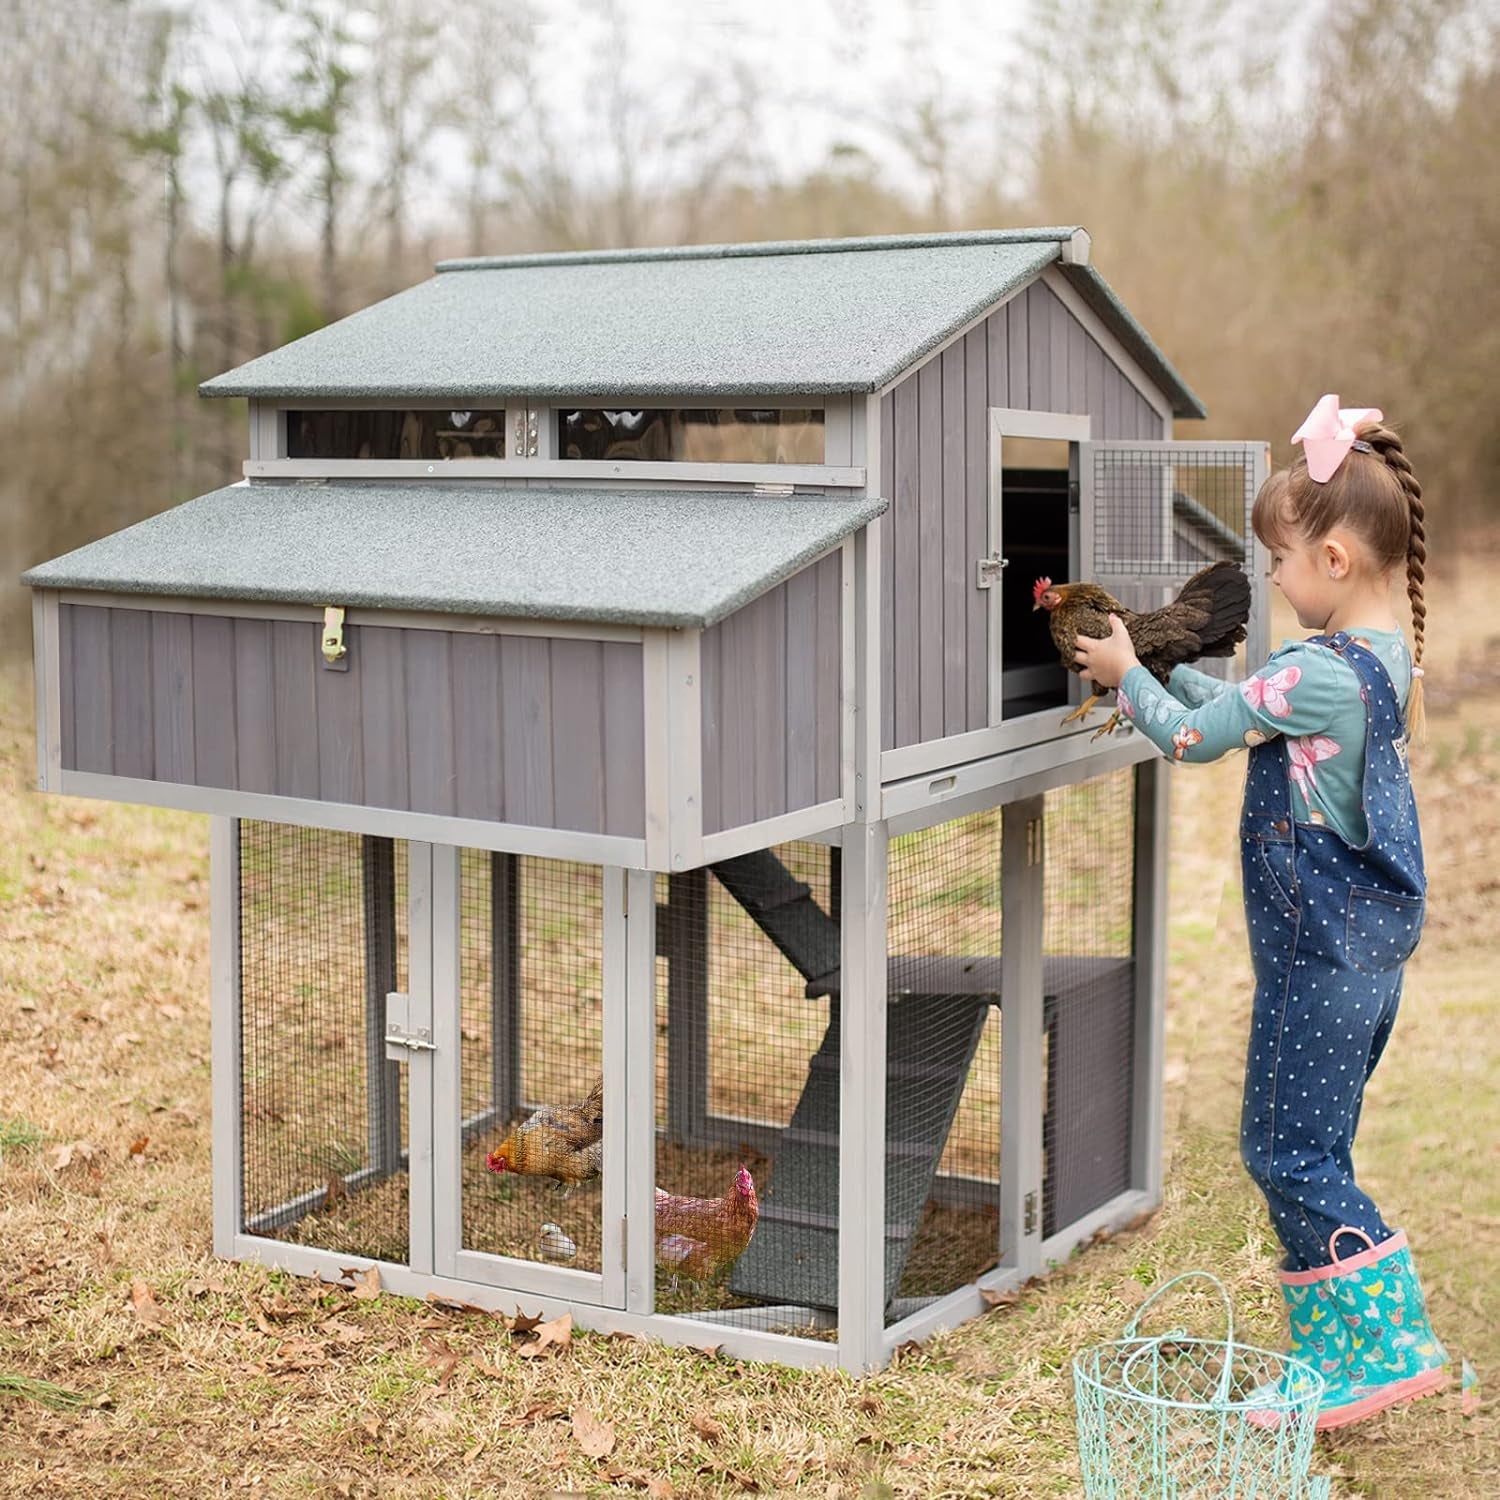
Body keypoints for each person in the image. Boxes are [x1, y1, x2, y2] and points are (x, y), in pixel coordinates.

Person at [1074, 396, 1448, 1430]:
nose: (1271, 579)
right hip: (1362, 960)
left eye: (1278, 561)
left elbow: (1199, 740)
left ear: (1332, 560)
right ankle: (1338, 1360)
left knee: (1285, 1153)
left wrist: (1122, 676)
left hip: (1316, 955)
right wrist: (1164, 671)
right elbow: (1243, 705)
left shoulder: (1314, 670)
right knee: (1307, 1149)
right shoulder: (1380, 661)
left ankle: (1383, 1351)